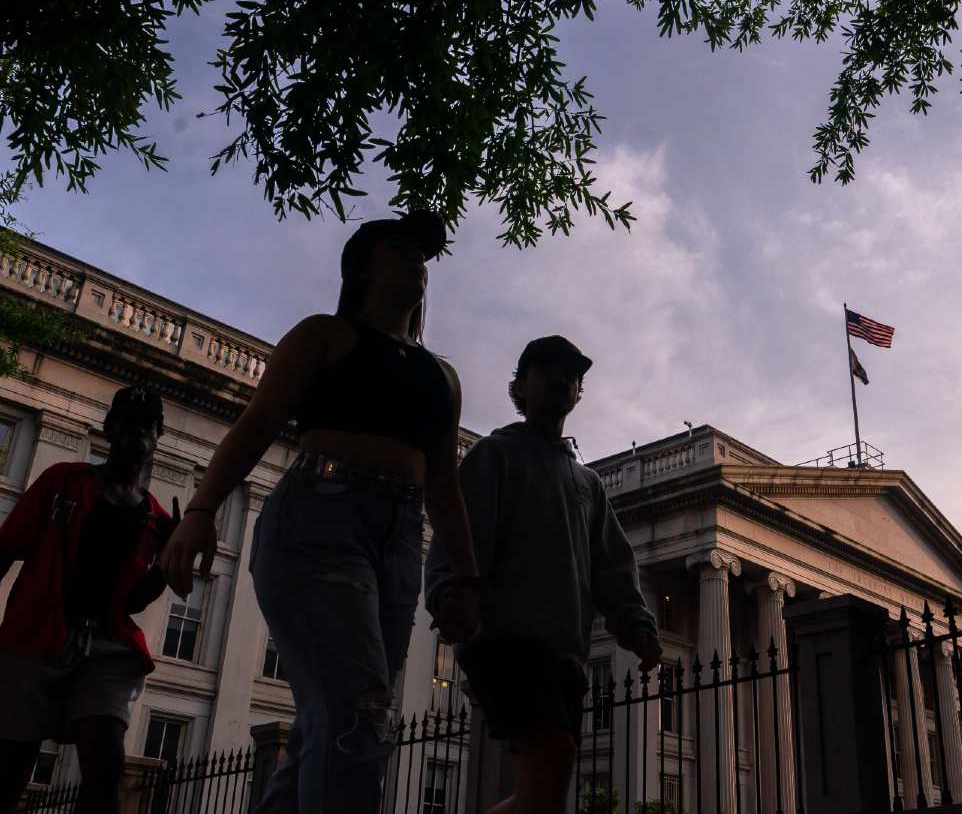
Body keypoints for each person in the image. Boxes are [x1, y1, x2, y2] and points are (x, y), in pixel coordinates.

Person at [159, 212, 482, 814]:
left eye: (423, 254)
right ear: (363, 266)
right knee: (357, 709)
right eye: (399, 248)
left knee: (334, 722)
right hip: (318, 520)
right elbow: (255, 424)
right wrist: (201, 509)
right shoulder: (322, 336)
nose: (417, 260)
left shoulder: (443, 376)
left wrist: (464, 578)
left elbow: (444, 483)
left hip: (400, 536)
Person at [426, 335, 661, 814]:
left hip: (564, 653)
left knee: (547, 788)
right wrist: (453, 592)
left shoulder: (587, 483)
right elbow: (461, 532)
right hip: (506, 639)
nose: (561, 381)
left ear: (579, 393)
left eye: (571, 376)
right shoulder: (495, 455)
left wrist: (635, 622)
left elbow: (612, 565)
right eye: (546, 371)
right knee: (555, 756)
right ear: (520, 386)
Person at [0, 386, 175, 814]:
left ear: (157, 437)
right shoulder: (63, 480)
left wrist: (167, 565)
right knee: (9, 768)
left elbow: (133, 602)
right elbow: (6, 549)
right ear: (110, 429)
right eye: (128, 424)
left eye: (148, 427)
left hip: (108, 648)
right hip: (34, 636)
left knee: (105, 767)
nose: (137, 434)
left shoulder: (155, 516)